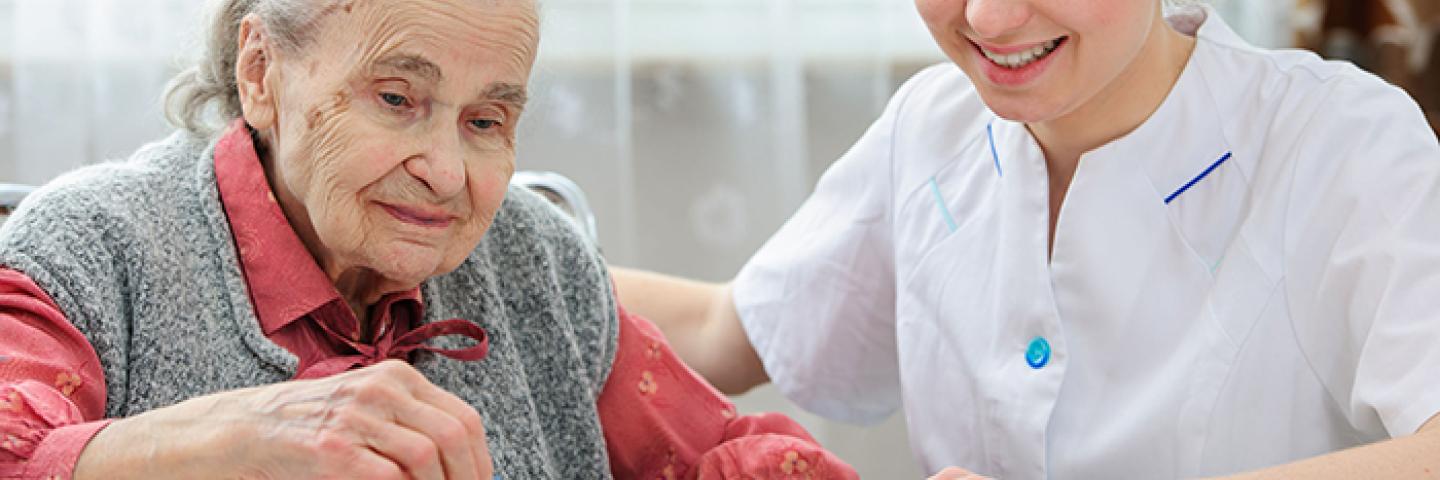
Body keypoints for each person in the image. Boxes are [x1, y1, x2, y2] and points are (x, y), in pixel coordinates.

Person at [0, 0, 860, 479]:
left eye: (487, 119)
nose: (447, 172)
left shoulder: (533, 260)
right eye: (396, 99)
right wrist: (218, 444)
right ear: (260, 72)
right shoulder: (95, 248)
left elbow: (716, 457)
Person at [612, 0, 1440, 478]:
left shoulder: (1338, 140)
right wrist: (500, 238)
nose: (989, 17)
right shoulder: (932, 129)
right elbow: (726, 330)